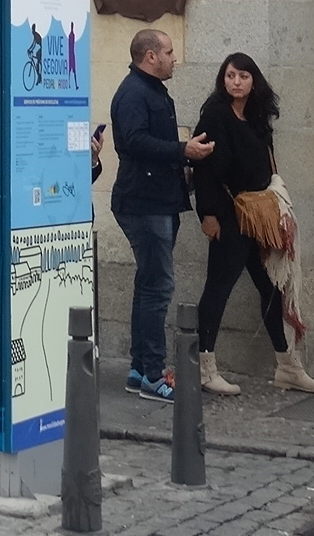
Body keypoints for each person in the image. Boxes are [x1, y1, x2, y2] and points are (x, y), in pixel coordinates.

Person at [190, 52, 314, 397]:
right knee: (218, 287)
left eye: (243, 76)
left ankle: (288, 367)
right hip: (229, 215)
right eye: (230, 75)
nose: (236, 82)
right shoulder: (214, 114)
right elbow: (204, 169)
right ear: (223, 79)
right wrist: (208, 214)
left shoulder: (257, 116)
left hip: (260, 218)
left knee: (272, 288)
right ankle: (204, 368)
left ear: (254, 81)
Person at [110, 26, 210, 402]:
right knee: (159, 287)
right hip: (143, 203)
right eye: (168, 52)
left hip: (160, 200)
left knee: (149, 284)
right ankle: (153, 374)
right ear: (150, 56)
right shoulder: (133, 93)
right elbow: (134, 141)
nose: (173, 59)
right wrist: (183, 151)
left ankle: (139, 369)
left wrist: (184, 159)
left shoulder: (153, 90)